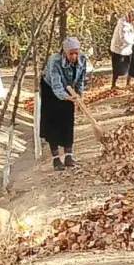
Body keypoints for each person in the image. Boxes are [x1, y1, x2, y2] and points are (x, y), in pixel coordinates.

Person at [40, 37, 89, 171]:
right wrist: (67, 97)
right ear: (64, 52)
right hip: (50, 89)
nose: (74, 56)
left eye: (76, 53)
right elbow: (56, 86)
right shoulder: (55, 61)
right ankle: (56, 159)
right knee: (53, 123)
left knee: (68, 120)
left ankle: (68, 156)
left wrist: (78, 96)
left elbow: (81, 79)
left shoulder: (83, 58)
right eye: (71, 53)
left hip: (69, 88)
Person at [109, 9, 134, 89]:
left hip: (129, 48)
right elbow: (123, 37)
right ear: (130, 15)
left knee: (131, 65)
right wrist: (133, 42)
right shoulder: (122, 22)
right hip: (118, 48)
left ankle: (128, 83)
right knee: (117, 68)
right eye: (133, 16)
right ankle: (113, 84)